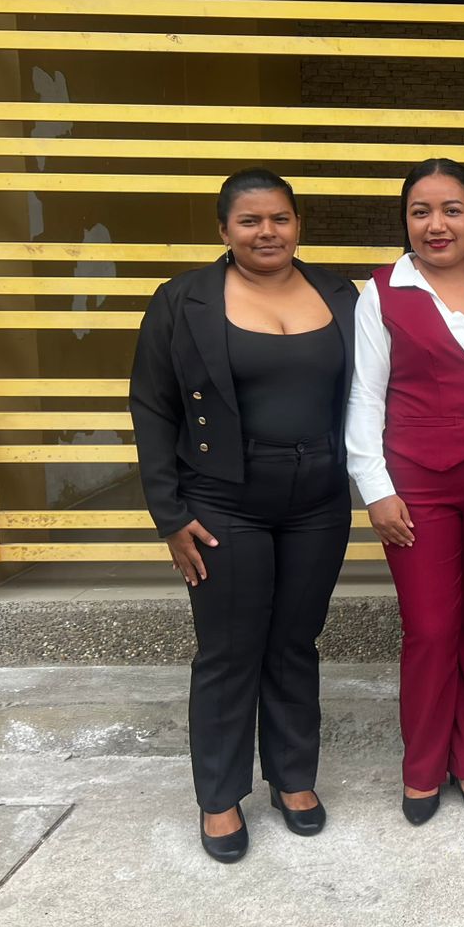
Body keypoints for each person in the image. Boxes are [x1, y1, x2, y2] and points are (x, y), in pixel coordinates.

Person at [130, 168, 358, 864]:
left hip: (318, 499)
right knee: (229, 650)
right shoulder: (183, 301)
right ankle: (220, 795)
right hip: (223, 501)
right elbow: (152, 407)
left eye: (280, 218)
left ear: (298, 224)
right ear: (224, 229)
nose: (267, 232)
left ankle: (292, 777)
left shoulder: (340, 295)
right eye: (250, 221)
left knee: (295, 642)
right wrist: (169, 515)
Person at [345, 158, 464, 827]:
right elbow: (365, 397)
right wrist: (375, 489)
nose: (436, 224)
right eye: (421, 211)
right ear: (406, 221)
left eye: (452, 210)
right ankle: (422, 767)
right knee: (431, 628)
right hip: (416, 484)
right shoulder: (383, 291)